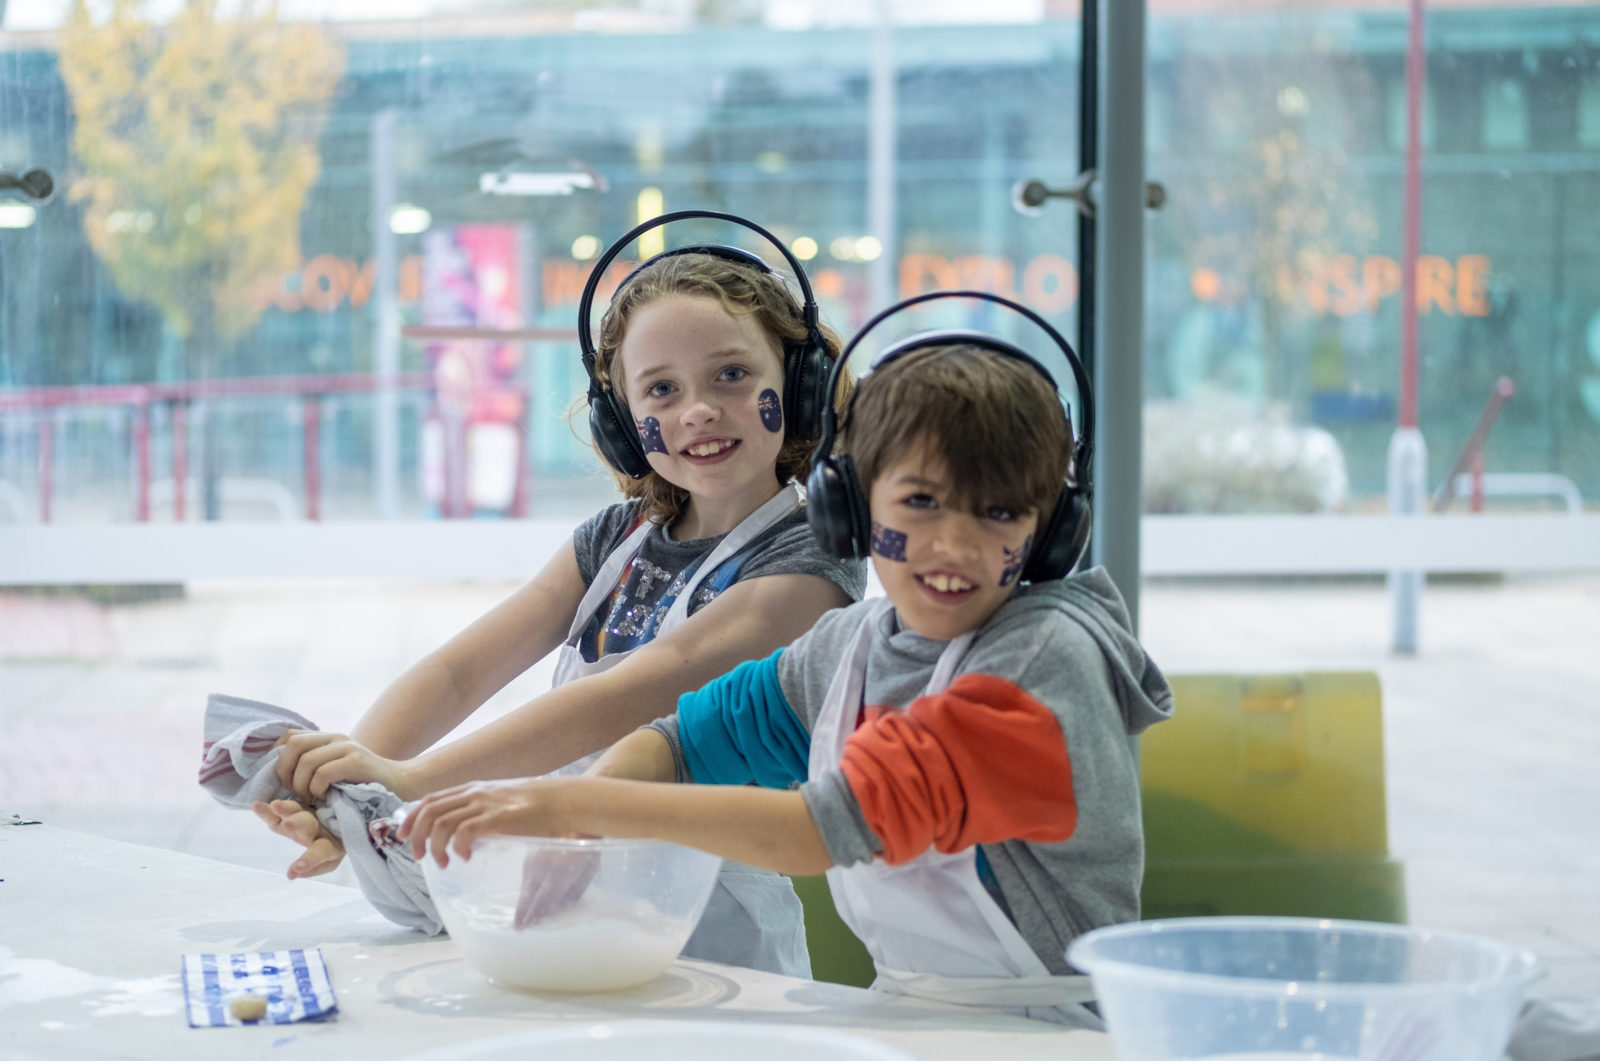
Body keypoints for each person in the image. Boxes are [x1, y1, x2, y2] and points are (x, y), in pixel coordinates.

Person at [395, 292, 1175, 1028]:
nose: (956, 544)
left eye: (1000, 511)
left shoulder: (1042, 665)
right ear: (852, 505)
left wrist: (568, 809)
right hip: (920, 1015)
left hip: (1047, 1035)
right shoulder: (856, 644)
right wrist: (585, 829)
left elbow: (816, 830)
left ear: (1052, 530)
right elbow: (685, 736)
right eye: (922, 503)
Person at [255, 212, 866, 978]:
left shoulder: (810, 556)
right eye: (662, 389)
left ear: (800, 386)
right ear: (621, 421)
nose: (698, 409)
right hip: (565, 893)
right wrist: (352, 786)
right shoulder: (613, 539)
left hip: (712, 934)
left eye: (732, 375)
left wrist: (408, 779)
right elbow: (457, 673)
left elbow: (635, 690)